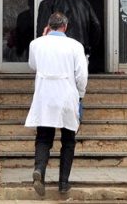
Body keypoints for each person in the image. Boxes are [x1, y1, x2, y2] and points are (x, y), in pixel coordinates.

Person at [25, 12, 88, 196]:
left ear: (48, 25)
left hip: (44, 97)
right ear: (65, 26)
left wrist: (43, 38)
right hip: (67, 96)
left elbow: (33, 65)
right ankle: (63, 183)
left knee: (43, 138)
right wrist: (81, 95)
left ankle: (39, 169)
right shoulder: (75, 46)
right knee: (68, 140)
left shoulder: (36, 44)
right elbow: (81, 75)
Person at [36, 0, 101, 61]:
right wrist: (89, 45)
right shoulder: (84, 2)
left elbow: (42, 28)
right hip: (80, 48)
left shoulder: (46, 3)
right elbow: (96, 25)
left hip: (56, 50)